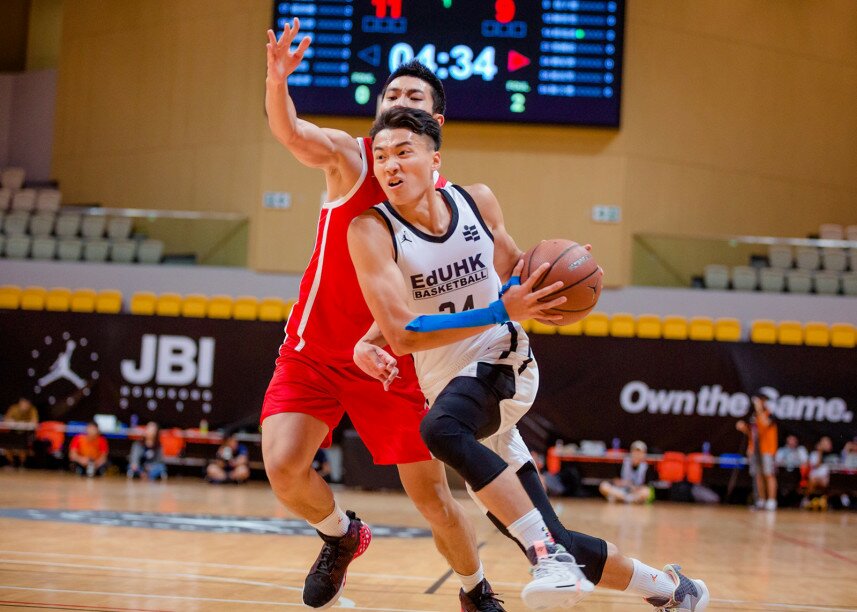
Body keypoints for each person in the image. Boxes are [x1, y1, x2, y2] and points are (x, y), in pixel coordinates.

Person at [349, 106, 710, 612]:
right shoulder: (369, 230)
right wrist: (371, 340)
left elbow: (518, 273)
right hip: (454, 388)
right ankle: (672, 590)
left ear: (435, 158)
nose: (390, 165)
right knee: (557, 535)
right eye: (381, 156)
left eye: (403, 152)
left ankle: (546, 555)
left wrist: (561, 278)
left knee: (439, 431)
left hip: (502, 362)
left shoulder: (476, 202)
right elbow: (403, 330)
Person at [263, 19, 518, 610]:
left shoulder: (455, 200)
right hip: (321, 348)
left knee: (432, 500)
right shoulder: (351, 159)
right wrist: (278, 81)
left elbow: (503, 266)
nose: (397, 103)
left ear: (436, 130)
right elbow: (293, 133)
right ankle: (341, 535)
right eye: (391, 96)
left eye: (413, 99)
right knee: (282, 466)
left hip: (399, 360)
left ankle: (475, 588)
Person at [736, 395, 778, 511]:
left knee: (769, 474)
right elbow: (754, 433)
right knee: (758, 475)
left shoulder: (770, 414)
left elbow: (765, 425)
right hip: (756, 450)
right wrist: (744, 428)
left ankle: (771, 501)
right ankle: (761, 501)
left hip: (767, 450)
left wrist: (759, 409)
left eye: (760, 400)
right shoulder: (754, 416)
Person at [3, 397, 38, 468]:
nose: (25, 405)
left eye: (27, 403)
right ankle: (11, 463)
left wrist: (25, 424)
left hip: (25, 433)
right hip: (13, 432)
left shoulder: (32, 409)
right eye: (23, 402)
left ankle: (22, 464)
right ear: (20, 403)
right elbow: (6, 419)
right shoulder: (13, 408)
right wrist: (12, 422)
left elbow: (34, 421)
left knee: (23, 448)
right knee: (6, 447)